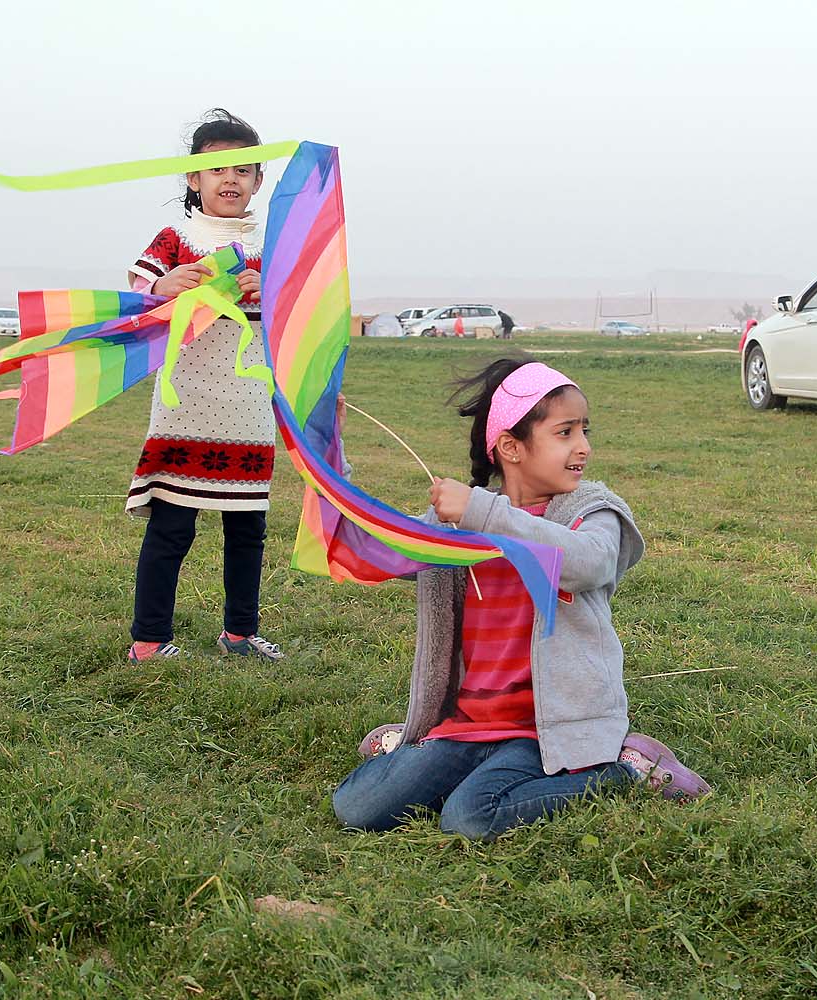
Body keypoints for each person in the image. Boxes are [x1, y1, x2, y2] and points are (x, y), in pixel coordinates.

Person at [331, 357, 711, 842]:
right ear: (511, 447)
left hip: (545, 730)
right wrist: (331, 447)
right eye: (565, 433)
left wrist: (485, 513)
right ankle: (406, 749)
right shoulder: (459, 523)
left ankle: (628, 767)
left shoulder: (589, 513)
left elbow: (587, 562)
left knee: (470, 818)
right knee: (357, 808)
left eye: (584, 430)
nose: (584, 447)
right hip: (467, 724)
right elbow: (370, 548)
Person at [124, 109, 281, 663]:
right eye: (216, 168)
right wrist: (165, 285)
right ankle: (149, 641)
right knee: (172, 527)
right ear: (193, 178)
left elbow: (302, 312)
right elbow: (138, 290)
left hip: (249, 408)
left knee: (248, 529)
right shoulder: (176, 238)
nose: (230, 178)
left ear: (259, 181)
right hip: (185, 404)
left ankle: (240, 632)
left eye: (243, 169)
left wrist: (273, 288)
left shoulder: (274, 242)